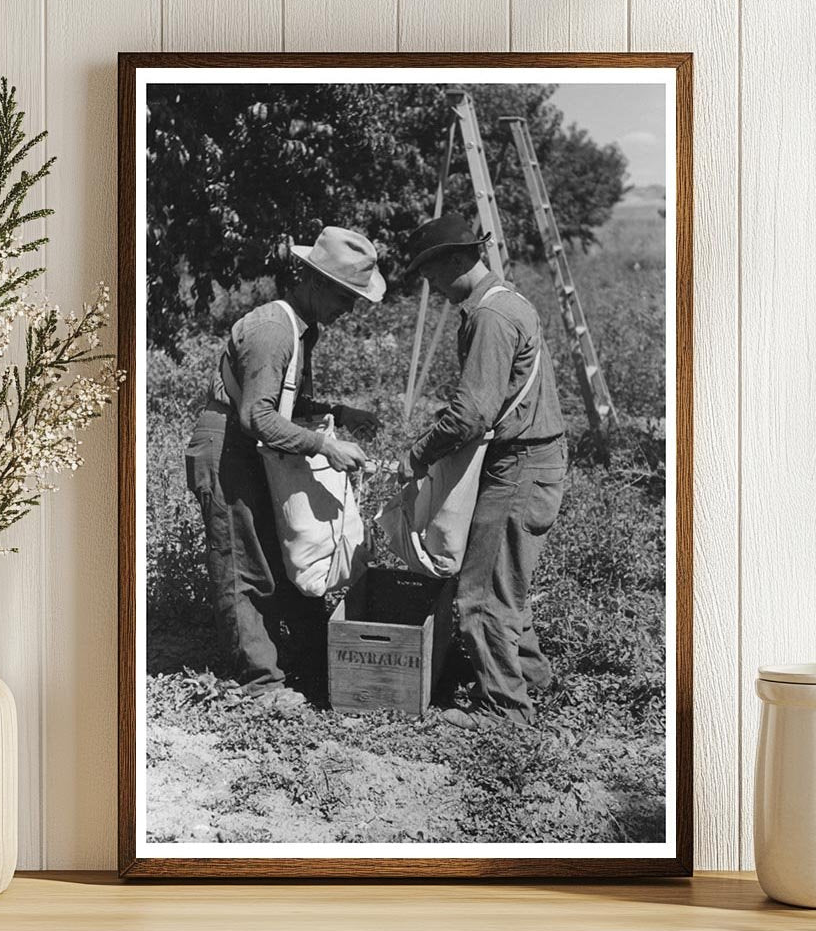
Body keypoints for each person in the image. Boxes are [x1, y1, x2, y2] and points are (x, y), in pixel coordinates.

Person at [185, 226, 384, 707]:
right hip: (226, 447)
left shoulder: (300, 329)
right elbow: (257, 416)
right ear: (314, 282)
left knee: (276, 556)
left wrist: (338, 411)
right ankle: (261, 682)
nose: (348, 309)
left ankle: (301, 659)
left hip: (252, 447)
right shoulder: (273, 330)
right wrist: (324, 446)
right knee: (241, 565)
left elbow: (281, 401)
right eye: (345, 297)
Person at [398, 214, 567, 730]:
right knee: (502, 576)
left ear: (455, 260)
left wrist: (419, 453)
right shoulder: (502, 301)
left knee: (481, 592)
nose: (430, 285)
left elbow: (472, 413)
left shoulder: (490, 316)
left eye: (430, 273)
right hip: (526, 460)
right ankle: (530, 676)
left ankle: (505, 710)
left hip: (520, 464)